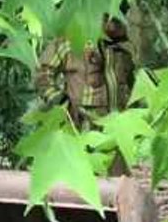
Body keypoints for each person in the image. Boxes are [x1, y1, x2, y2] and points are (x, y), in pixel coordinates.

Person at [36, 15, 137, 175]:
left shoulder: (122, 45)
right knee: (86, 177)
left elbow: (131, 83)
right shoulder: (71, 41)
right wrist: (58, 99)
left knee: (118, 182)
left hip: (119, 127)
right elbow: (42, 73)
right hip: (85, 124)